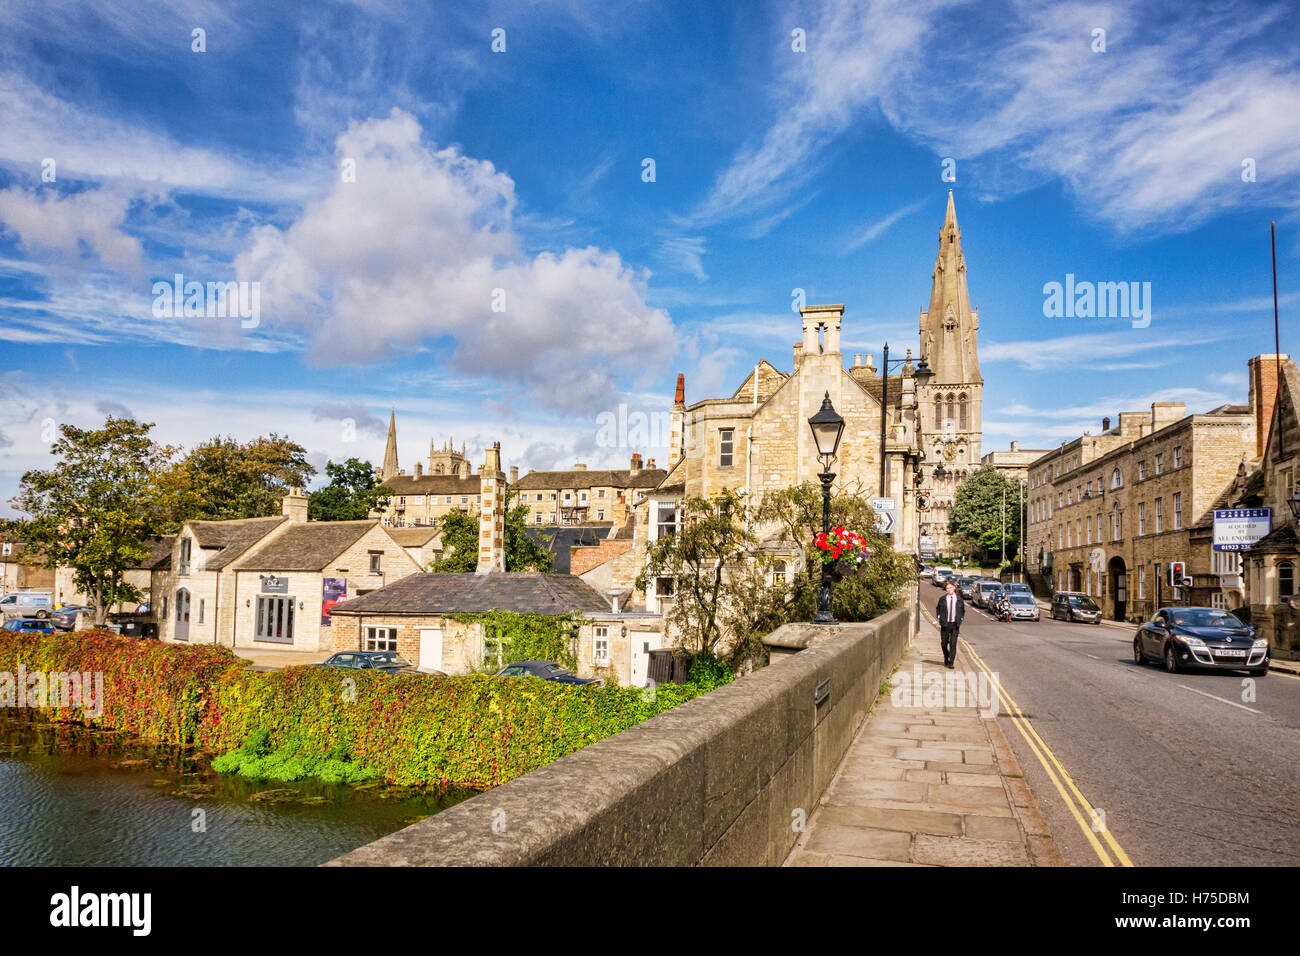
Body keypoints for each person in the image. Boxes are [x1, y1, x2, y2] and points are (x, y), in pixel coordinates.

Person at [935, 579, 964, 669]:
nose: (949, 590)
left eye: (950, 588)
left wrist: (960, 619)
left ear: (954, 588)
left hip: (955, 624)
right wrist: (940, 617)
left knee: (953, 643)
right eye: (947, 588)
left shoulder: (959, 599)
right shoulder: (942, 599)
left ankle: (951, 662)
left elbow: (962, 611)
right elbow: (938, 609)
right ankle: (946, 657)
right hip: (945, 624)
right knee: (944, 643)